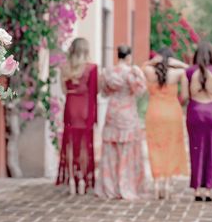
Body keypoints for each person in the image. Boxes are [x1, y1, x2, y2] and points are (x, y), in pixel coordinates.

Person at [96, 45, 146, 200]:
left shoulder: (108, 72)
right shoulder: (132, 72)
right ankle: (126, 185)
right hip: (127, 113)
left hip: (112, 112)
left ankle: (110, 186)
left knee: (111, 151)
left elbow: (103, 93)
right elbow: (140, 91)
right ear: (129, 56)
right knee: (127, 151)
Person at [143, 47, 189, 199]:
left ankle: (157, 183)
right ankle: (168, 184)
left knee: (155, 147)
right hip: (172, 113)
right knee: (170, 147)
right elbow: (188, 71)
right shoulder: (177, 73)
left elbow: (142, 67)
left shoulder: (150, 72)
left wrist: (151, 61)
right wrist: (177, 63)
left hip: (154, 112)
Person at [185, 41, 212, 201]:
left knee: (196, 150)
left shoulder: (188, 72)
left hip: (196, 113)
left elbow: (184, 96)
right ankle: (209, 189)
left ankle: (197, 189)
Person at [56, 37, 98, 195]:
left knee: (70, 144)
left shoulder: (64, 68)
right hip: (85, 108)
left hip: (70, 107)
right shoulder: (92, 68)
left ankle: (72, 181)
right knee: (84, 145)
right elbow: (94, 93)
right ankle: (82, 180)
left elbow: (64, 91)